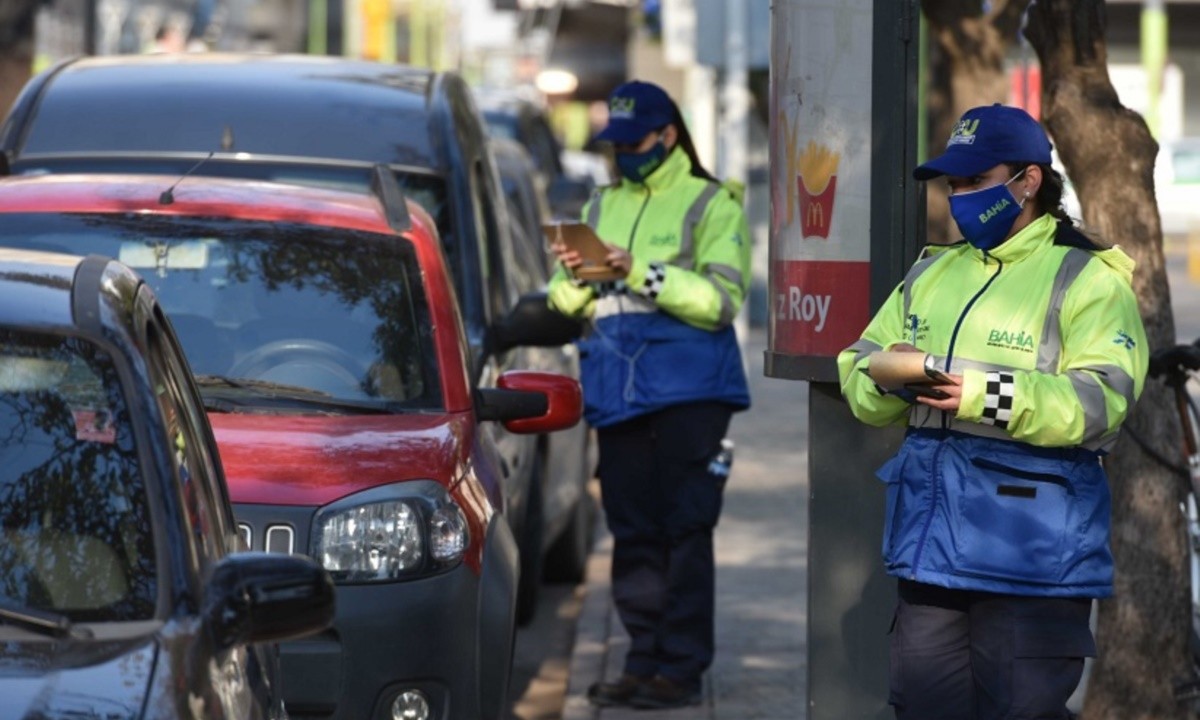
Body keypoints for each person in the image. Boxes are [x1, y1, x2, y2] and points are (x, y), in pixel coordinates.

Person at [837, 103, 1149, 720]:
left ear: (1028, 181)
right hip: (930, 548)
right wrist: (889, 382)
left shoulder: (1087, 279)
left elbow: (1102, 401)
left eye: (977, 182)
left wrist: (979, 393)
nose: (960, 197)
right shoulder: (933, 270)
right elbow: (858, 360)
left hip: (1030, 554)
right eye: (955, 184)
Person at [547, 79, 752, 710]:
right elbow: (559, 299)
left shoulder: (712, 202)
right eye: (617, 143)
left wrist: (637, 269)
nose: (624, 153)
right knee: (631, 533)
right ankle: (641, 661)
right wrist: (580, 277)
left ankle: (681, 670)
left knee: (684, 531)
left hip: (689, 393)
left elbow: (721, 301)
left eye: (635, 141)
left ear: (668, 136)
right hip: (619, 391)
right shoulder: (602, 203)